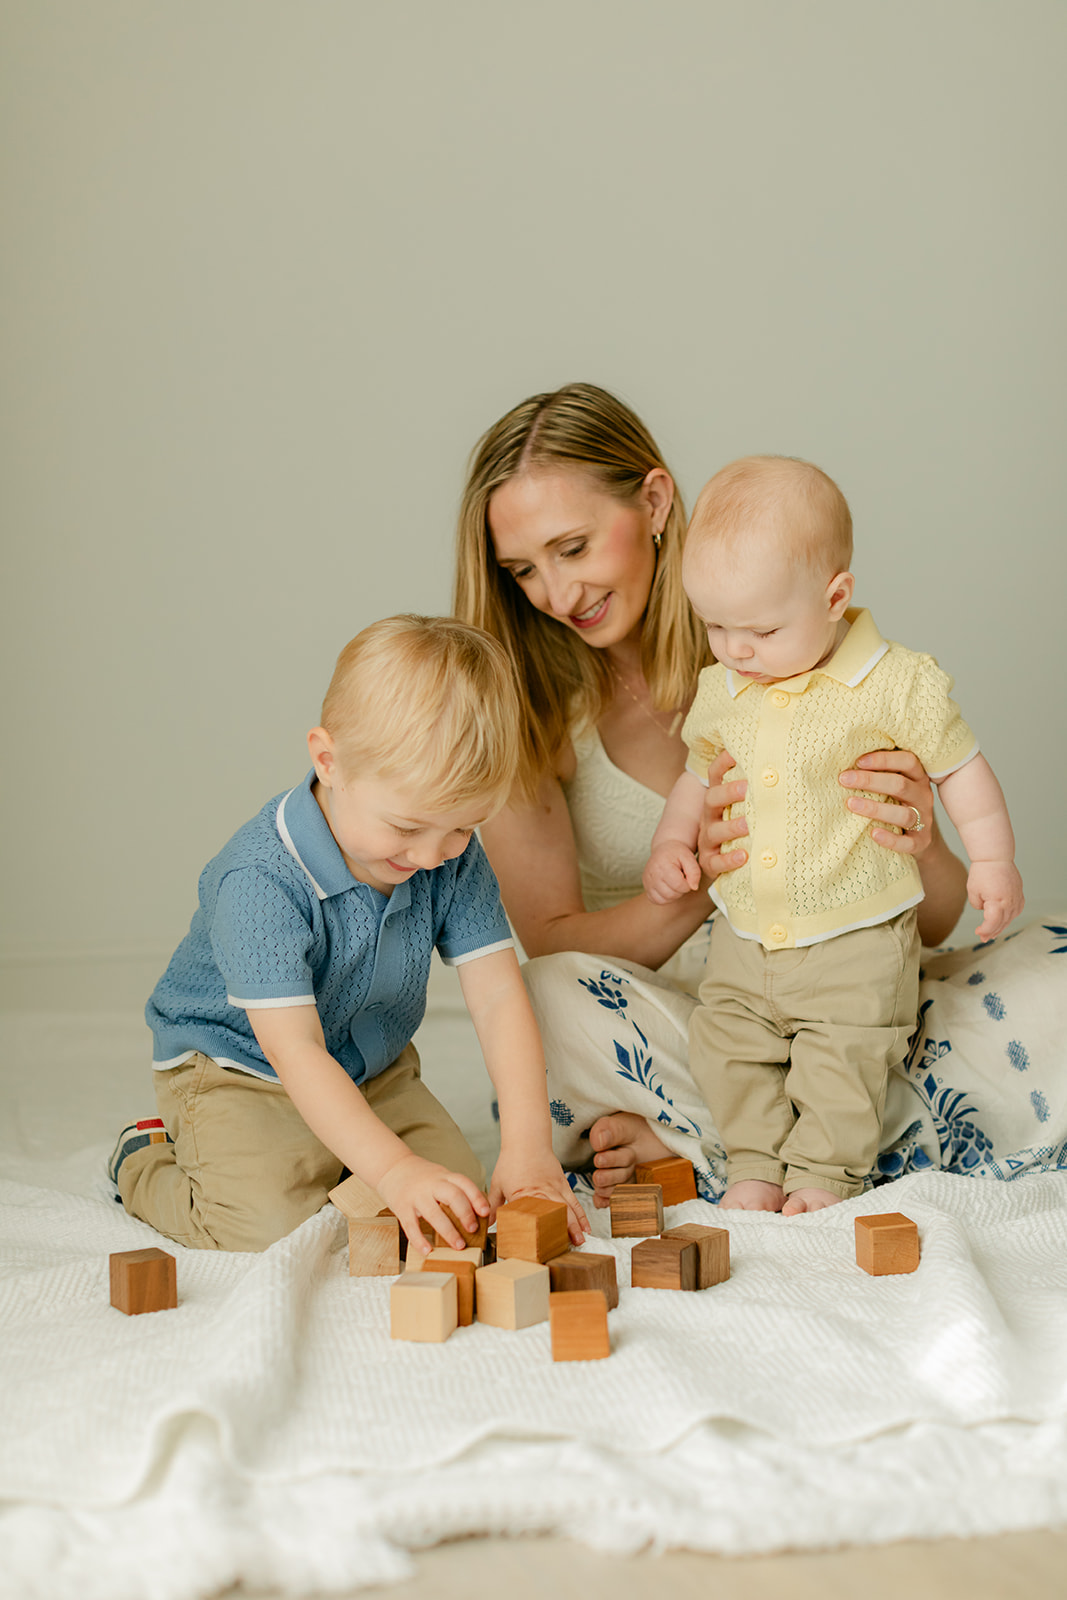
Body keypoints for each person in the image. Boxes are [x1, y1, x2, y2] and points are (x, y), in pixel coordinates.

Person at [454, 382, 1066, 1207]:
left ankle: (707, 1145)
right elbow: (559, 948)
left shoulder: (791, 631)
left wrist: (921, 841)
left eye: (573, 547)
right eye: (523, 569)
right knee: (541, 1006)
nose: (556, 596)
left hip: (856, 983)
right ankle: (820, 1137)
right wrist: (696, 882)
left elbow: (931, 924)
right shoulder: (529, 717)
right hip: (694, 1012)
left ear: (655, 501)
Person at [110, 615, 587, 1253]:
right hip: (241, 1068)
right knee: (260, 1226)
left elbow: (499, 998)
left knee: (459, 1197)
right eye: (406, 827)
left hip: (370, 1068)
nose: (432, 855)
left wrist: (527, 1149)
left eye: (463, 827)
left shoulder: (449, 853)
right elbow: (296, 1051)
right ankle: (142, 1156)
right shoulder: (258, 880)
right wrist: (392, 1171)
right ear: (329, 762)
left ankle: (342, 1153)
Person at [644, 455, 1024, 1214]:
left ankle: (822, 1173)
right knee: (725, 1044)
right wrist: (670, 843)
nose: (735, 649)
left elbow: (960, 769)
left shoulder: (895, 681)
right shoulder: (721, 687)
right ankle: (751, 1162)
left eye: (759, 628)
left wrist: (991, 857)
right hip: (745, 935)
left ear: (835, 596)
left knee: (845, 1056)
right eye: (714, 626)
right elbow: (697, 772)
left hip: (856, 934)